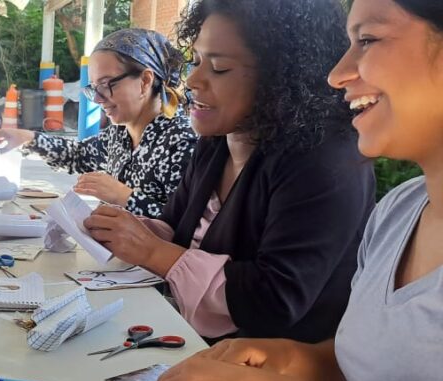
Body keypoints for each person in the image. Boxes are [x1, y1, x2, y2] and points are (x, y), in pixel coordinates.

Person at [149, 1, 443, 381]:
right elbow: (365, 370)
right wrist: (286, 361)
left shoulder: (324, 162)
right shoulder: (400, 212)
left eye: (367, 40)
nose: (337, 74)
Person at [84, 0, 376, 342]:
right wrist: (120, 230)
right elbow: (176, 230)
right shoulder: (217, 141)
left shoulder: (325, 162)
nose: (192, 80)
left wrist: (151, 251)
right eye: (195, 61)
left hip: (269, 374)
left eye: (218, 68)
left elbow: (276, 299)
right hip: (189, 342)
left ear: (284, 76)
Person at [0, 28, 196, 218]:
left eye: (105, 84)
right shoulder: (120, 134)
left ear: (145, 81)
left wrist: (123, 196)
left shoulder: (180, 142)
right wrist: (27, 138)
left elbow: (186, 226)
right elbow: (79, 154)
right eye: (94, 88)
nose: (98, 98)